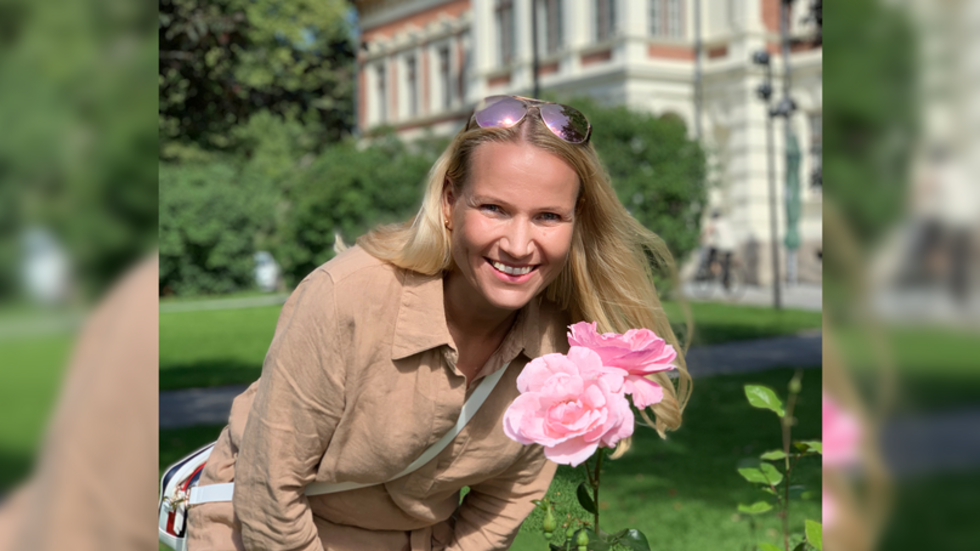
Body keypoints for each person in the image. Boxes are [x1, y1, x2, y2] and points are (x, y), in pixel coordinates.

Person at [185, 96, 692, 551]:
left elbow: (505, 502)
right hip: (259, 534)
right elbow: (270, 491)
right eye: (494, 208)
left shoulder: (563, 344)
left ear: (577, 220)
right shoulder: (347, 298)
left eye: (547, 217)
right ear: (450, 202)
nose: (518, 245)